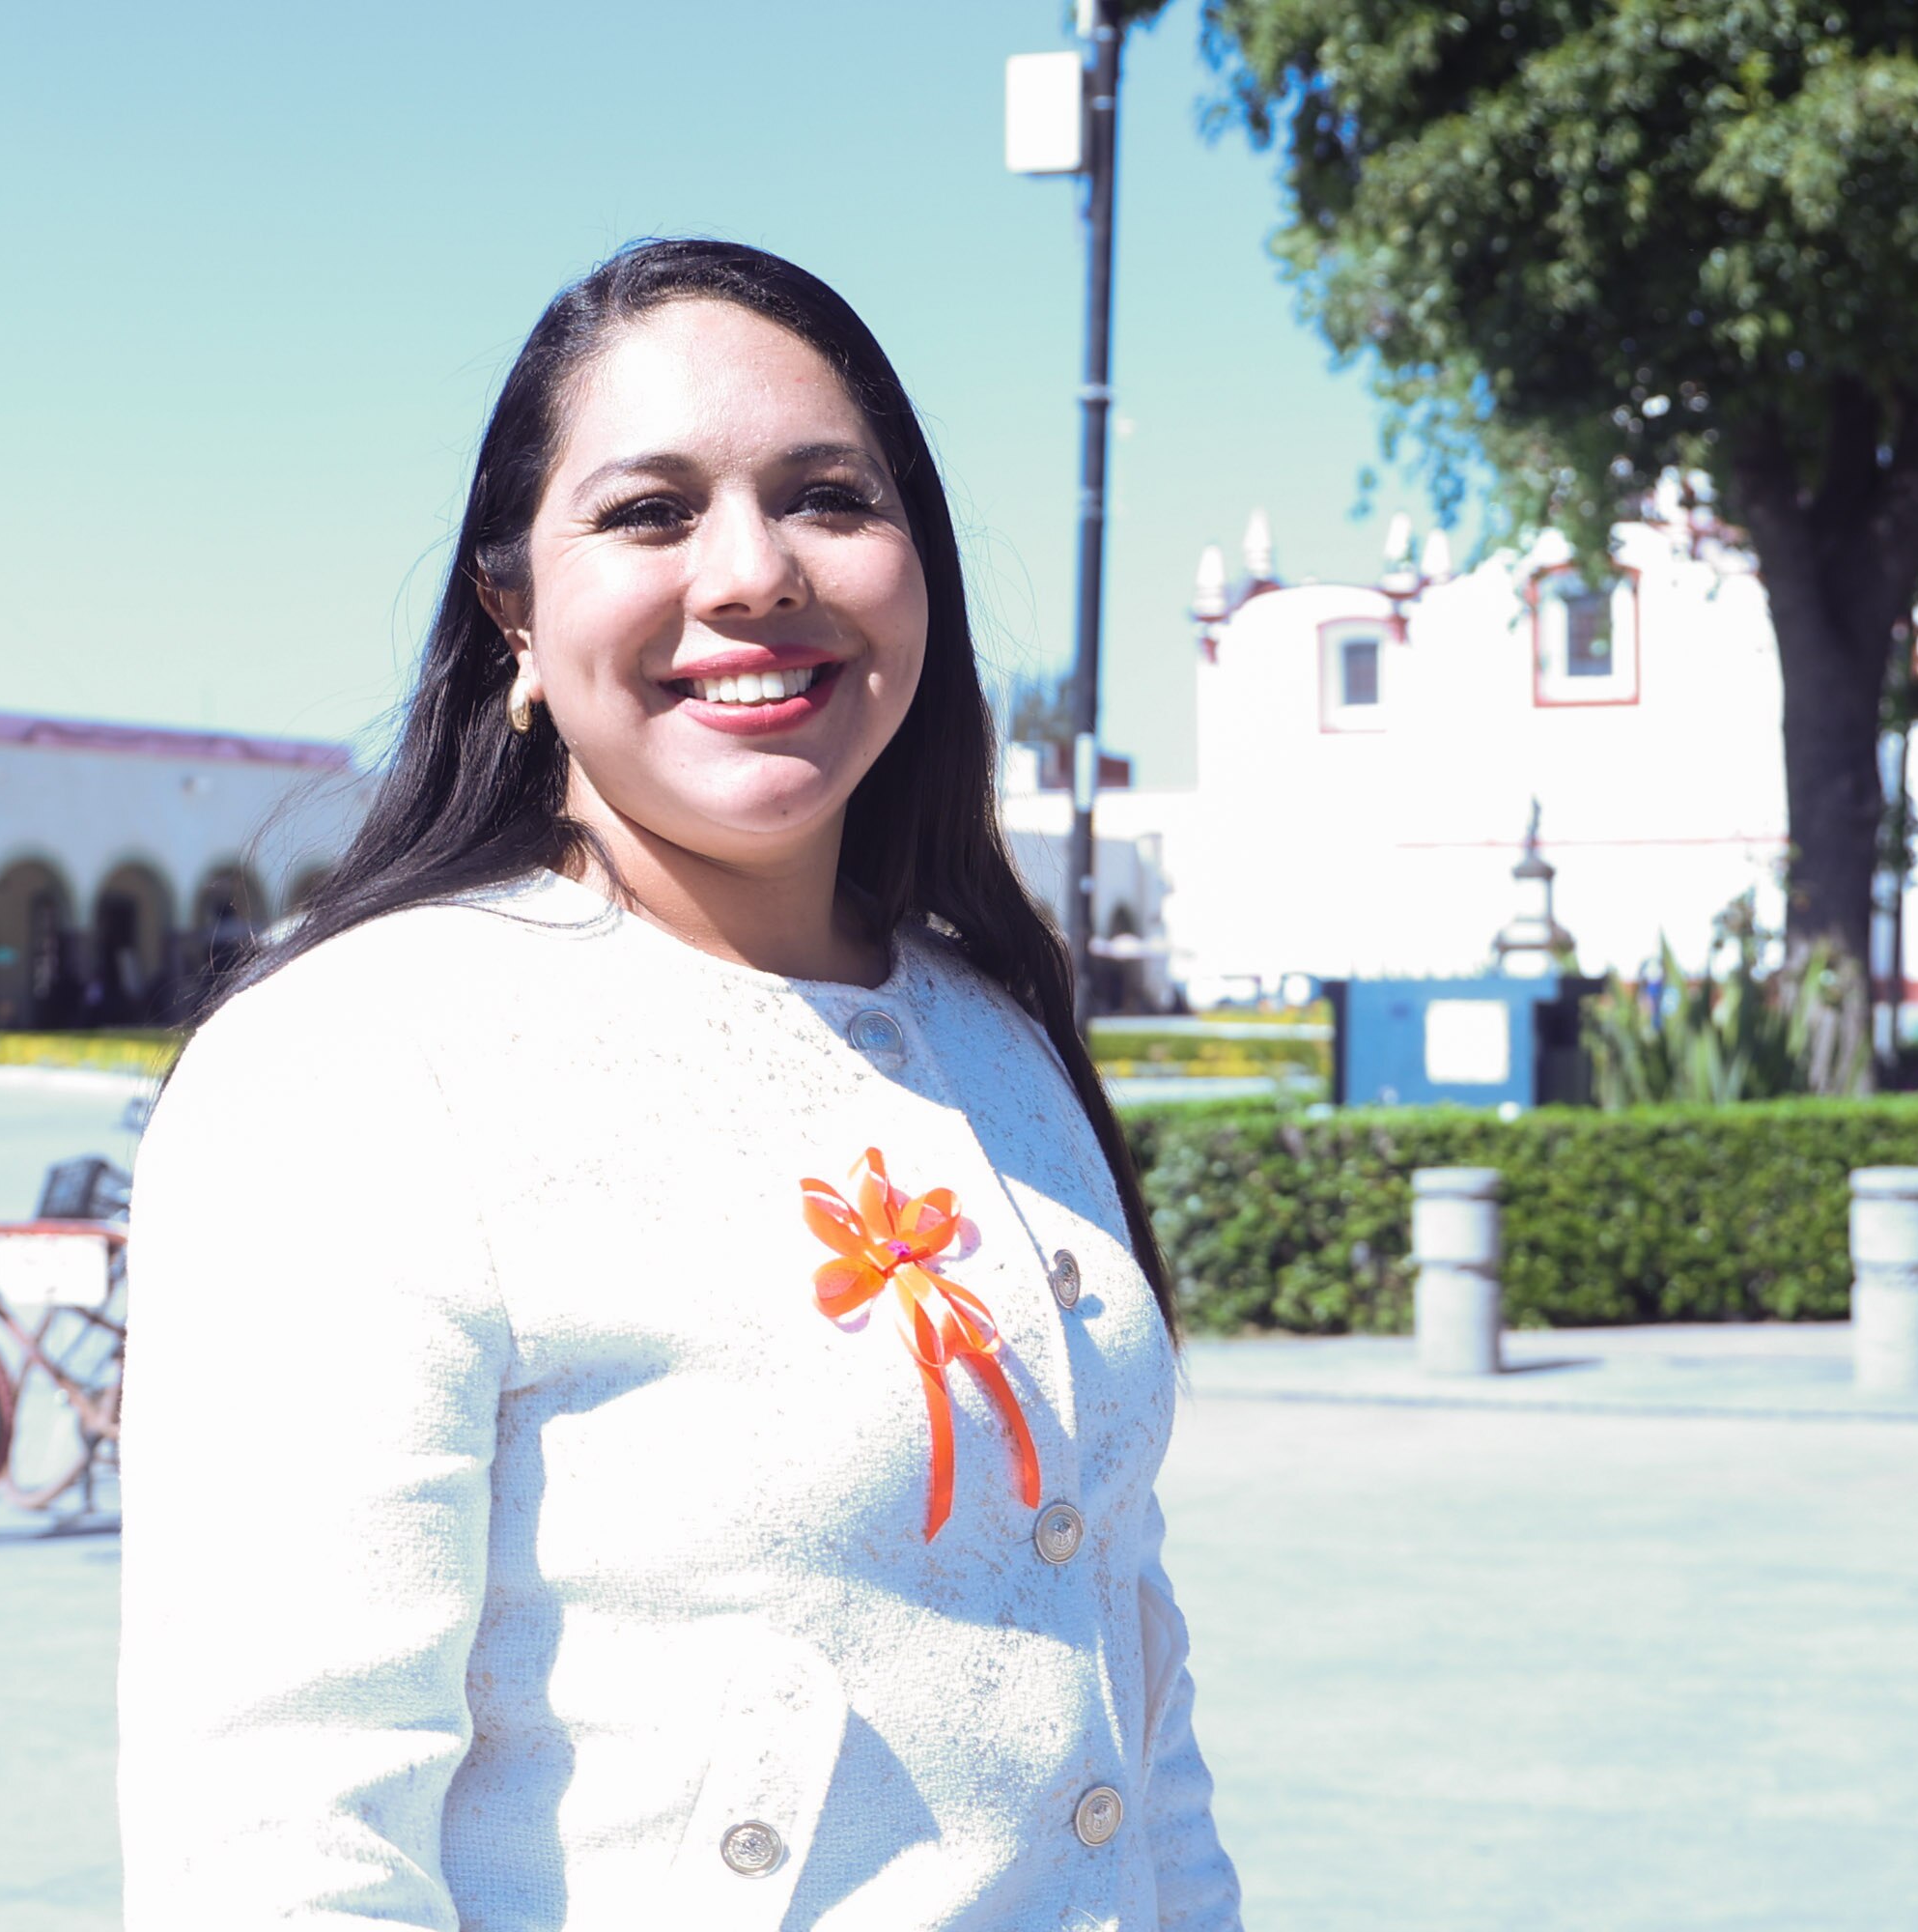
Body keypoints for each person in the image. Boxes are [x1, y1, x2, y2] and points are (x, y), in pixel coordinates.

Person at [120, 242, 1243, 1931]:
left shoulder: (997, 1035)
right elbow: (282, 1839)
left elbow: (1133, 1705)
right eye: (650, 512)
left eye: (829, 499)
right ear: (513, 608)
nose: (753, 573)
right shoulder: (359, 1065)